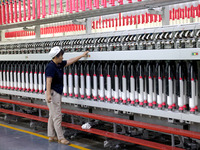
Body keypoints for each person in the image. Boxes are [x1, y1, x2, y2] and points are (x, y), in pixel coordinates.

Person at [45, 46, 89, 145]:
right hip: (53, 93)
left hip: (56, 92)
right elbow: (48, 81)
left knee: (52, 115)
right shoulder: (51, 67)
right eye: (61, 56)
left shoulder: (58, 64)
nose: (62, 57)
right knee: (57, 116)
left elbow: (70, 61)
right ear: (56, 56)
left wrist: (81, 55)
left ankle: (51, 136)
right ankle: (61, 138)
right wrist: (48, 95)